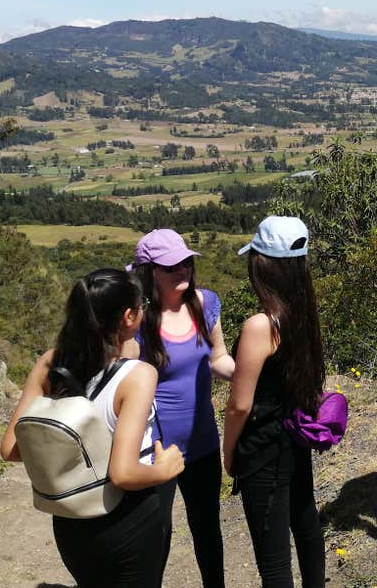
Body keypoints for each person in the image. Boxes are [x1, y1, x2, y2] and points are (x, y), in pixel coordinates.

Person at [1, 268, 185, 587]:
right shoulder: (137, 376)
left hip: (71, 519)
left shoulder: (50, 364)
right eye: (141, 304)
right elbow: (124, 474)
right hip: (128, 520)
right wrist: (165, 469)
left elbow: (10, 449)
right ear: (129, 317)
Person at [222, 216, 326, 588]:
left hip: (263, 449)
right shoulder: (302, 312)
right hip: (293, 441)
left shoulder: (260, 325)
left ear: (262, 265)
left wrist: (228, 453)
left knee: (274, 559)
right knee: (306, 524)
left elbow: (239, 405)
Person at [130, 229, 234, 587]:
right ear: (149, 272)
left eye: (186, 262)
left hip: (203, 441)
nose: (183, 270)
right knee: (156, 535)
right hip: (155, 449)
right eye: (171, 265)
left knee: (208, 530)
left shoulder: (204, 304)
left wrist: (249, 375)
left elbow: (218, 359)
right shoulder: (138, 321)